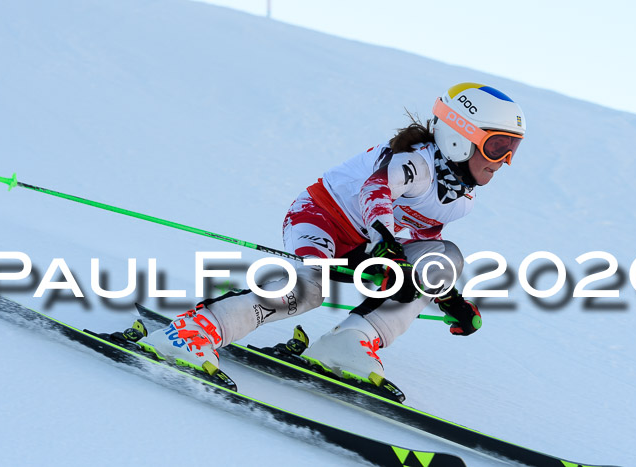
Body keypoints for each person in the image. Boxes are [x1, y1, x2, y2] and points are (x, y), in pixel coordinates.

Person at [134, 82, 526, 384]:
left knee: (445, 256)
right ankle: (193, 331)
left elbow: (421, 242)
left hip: (369, 244)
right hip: (319, 218)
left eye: (513, 149)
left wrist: (449, 298)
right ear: (460, 137)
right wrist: (387, 251)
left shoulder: (460, 200)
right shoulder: (413, 162)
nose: (504, 161)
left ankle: (350, 342)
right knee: (309, 290)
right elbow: (376, 192)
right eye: (497, 147)